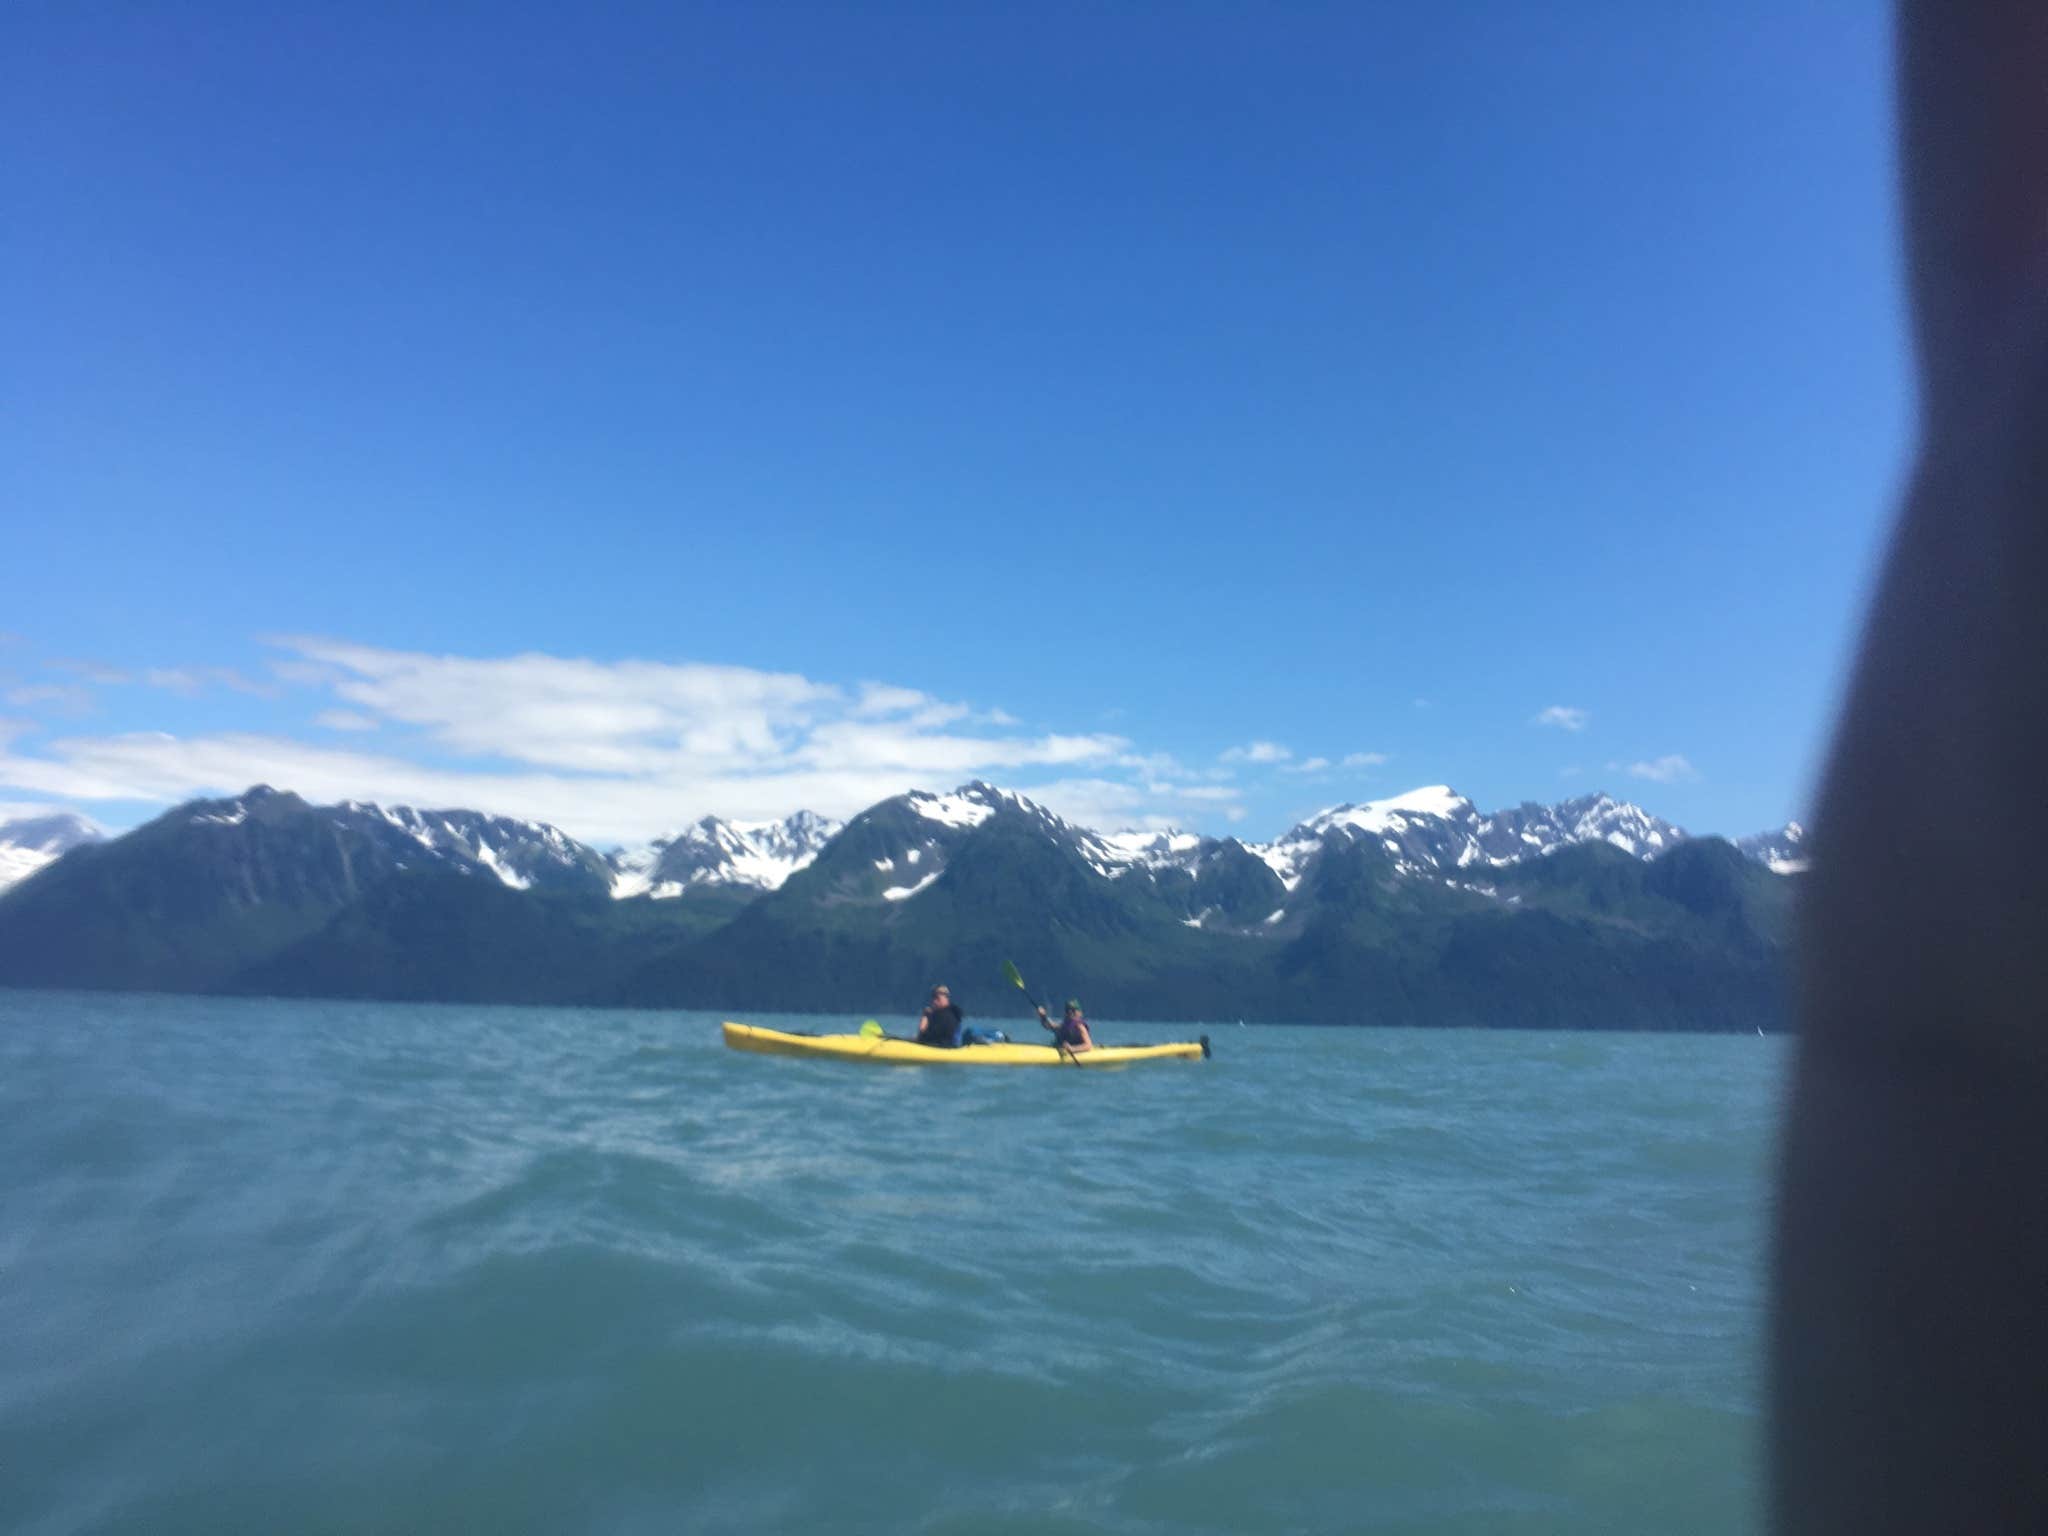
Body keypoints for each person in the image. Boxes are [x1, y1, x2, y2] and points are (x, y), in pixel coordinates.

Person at [914, 984, 962, 1049]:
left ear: (946, 998)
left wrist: (925, 1017)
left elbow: (925, 1037)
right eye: (933, 997)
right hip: (941, 1046)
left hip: (942, 1048)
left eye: (937, 998)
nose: (934, 1001)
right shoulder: (942, 1014)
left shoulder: (947, 1016)